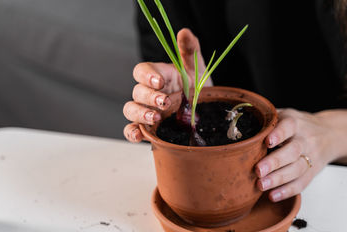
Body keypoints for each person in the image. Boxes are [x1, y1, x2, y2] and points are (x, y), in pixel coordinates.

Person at [123, 0, 347, 202]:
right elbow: (169, 57)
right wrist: (179, 100)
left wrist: (333, 133)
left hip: (329, 188)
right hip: (215, 185)